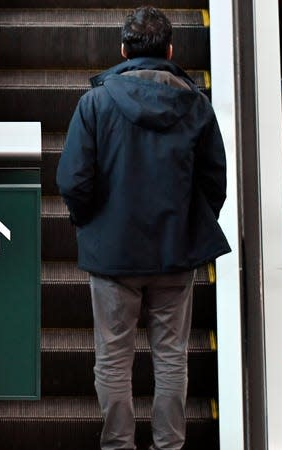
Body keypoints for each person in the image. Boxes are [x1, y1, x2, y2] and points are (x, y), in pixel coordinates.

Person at [56, 6, 231, 450]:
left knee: (113, 357)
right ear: (170, 51)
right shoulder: (196, 104)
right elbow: (215, 181)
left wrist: (93, 223)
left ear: (123, 50)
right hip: (175, 253)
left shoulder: (94, 103)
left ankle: (118, 444)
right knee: (171, 357)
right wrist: (188, 225)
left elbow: (73, 179)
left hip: (114, 254)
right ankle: (169, 444)